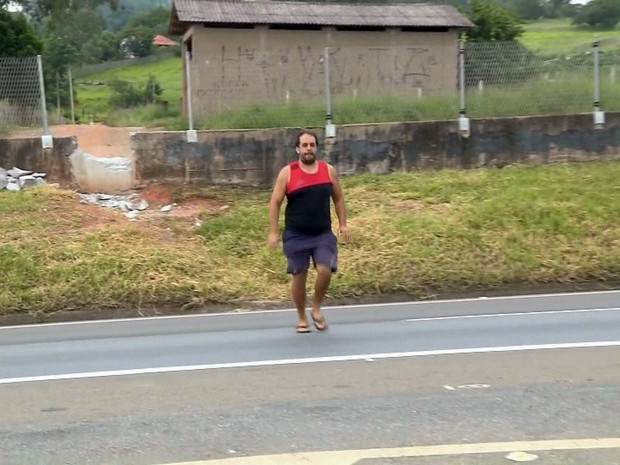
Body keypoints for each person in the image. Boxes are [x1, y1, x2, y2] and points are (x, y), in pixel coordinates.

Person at [268, 130, 350, 333]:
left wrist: (343, 223)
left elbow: (338, 198)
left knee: (324, 270)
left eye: (312, 145)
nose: (308, 149)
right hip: (296, 234)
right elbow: (275, 202)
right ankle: (301, 317)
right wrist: (273, 232)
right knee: (299, 275)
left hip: (322, 233)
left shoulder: (328, 170)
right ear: (298, 148)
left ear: (316, 148)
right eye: (304, 145)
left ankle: (315, 308)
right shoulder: (288, 172)